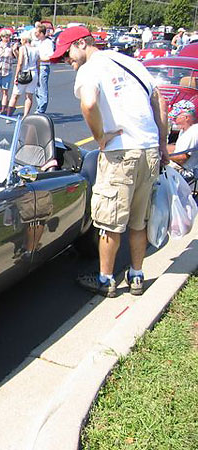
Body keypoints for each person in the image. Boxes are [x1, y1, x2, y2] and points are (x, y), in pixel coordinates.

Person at [50, 26, 169, 297]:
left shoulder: (90, 69)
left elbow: (89, 104)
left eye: (67, 53)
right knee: (139, 221)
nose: (67, 60)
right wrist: (161, 144)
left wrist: (100, 137)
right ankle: (137, 275)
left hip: (120, 154)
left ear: (81, 43)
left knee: (110, 222)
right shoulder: (130, 62)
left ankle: (105, 279)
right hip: (148, 150)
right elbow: (159, 101)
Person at [7, 30, 39, 118]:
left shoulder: (22, 48)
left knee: (15, 95)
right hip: (33, 73)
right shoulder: (36, 49)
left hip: (24, 73)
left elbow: (20, 62)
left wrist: (16, 76)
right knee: (29, 96)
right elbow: (38, 64)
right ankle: (25, 116)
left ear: (24, 40)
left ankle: (8, 116)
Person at [167, 100, 198, 173]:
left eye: (175, 118)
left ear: (186, 118)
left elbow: (182, 158)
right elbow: (178, 148)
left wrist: (162, 155)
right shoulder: (184, 130)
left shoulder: (194, 131)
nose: (174, 121)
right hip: (179, 168)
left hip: (187, 173)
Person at [34, 23, 54, 114]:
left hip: (43, 66)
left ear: (42, 33)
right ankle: (39, 107)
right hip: (36, 66)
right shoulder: (38, 42)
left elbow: (50, 56)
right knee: (37, 88)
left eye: (37, 32)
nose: (35, 34)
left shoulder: (48, 42)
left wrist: (40, 59)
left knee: (42, 88)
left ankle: (41, 109)